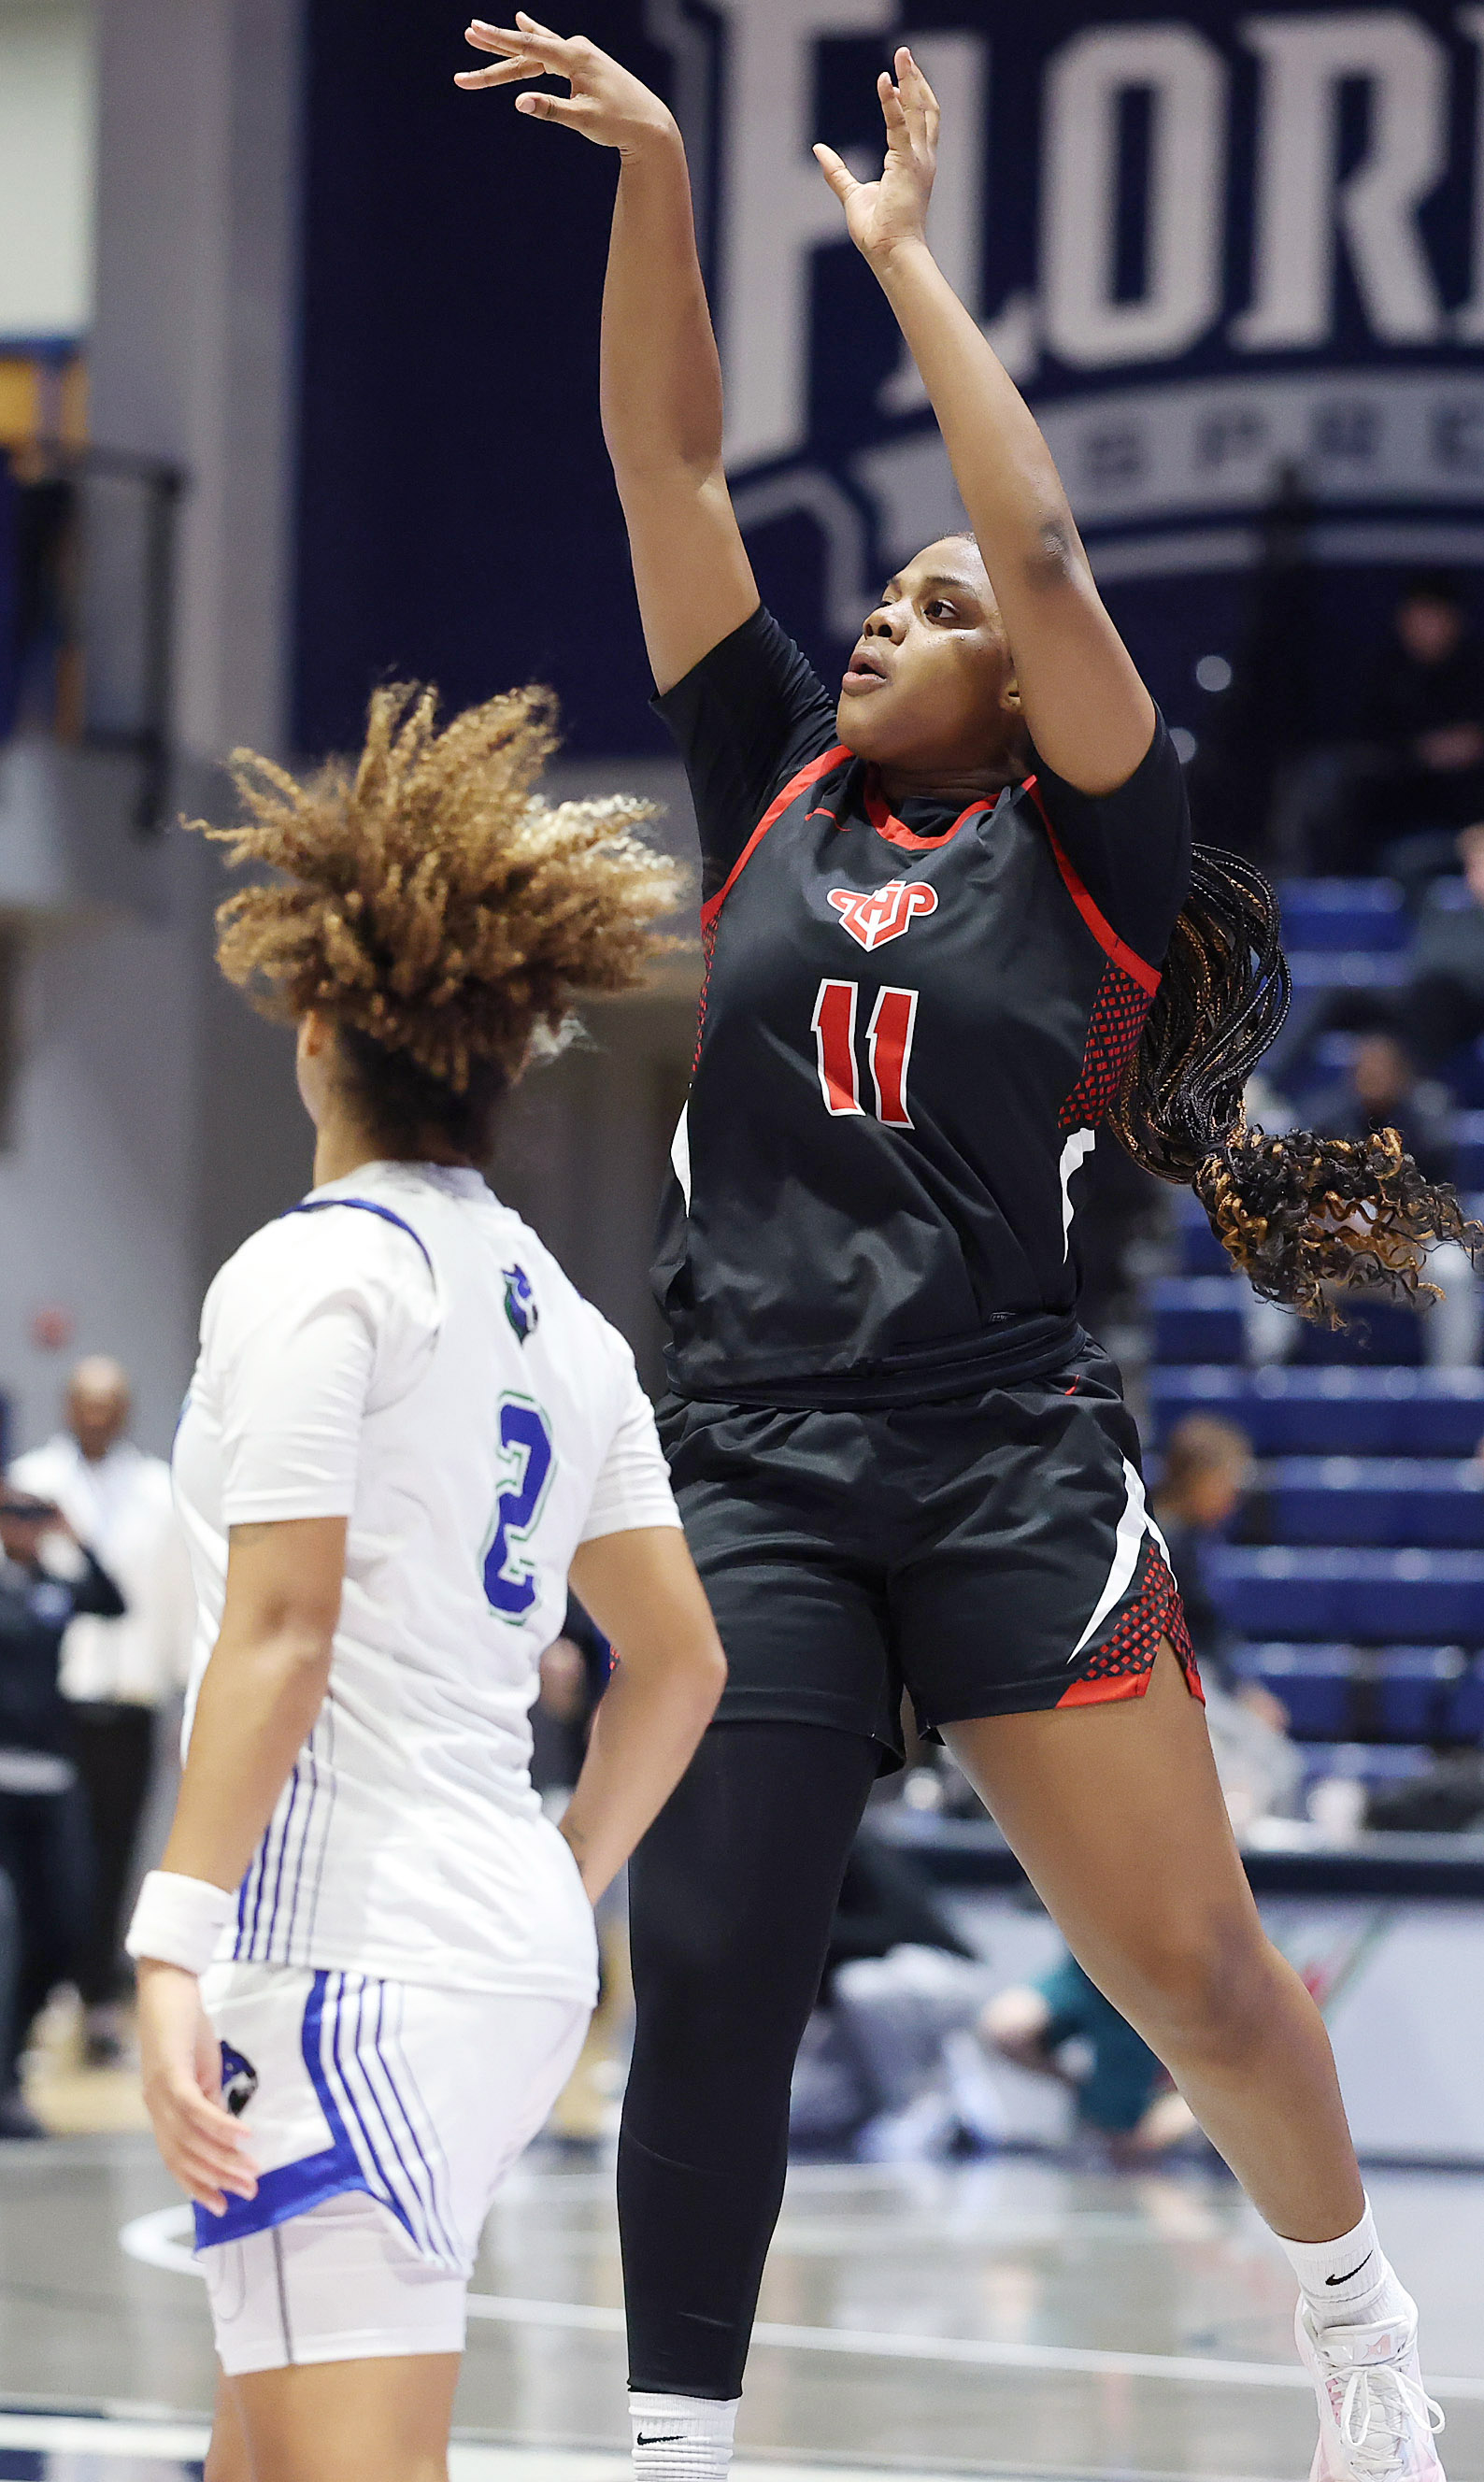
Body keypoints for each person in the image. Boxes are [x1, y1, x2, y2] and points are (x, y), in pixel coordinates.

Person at [460, 21, 1470, 2480]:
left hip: (1004, 1464)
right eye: (879, 607)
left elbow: (1036, 553)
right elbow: (665, 456)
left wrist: (901, 265)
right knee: (704, 1964)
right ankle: (677, 2441)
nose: (881, 626)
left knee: (1198, 1974)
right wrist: (668, 176)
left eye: (920, 611)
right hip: (755, 1468)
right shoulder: (770, 788)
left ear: (1018, 691)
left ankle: (1359, 2334)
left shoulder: (1097, 850)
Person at [126, 679, 727, 2482]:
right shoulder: (560, 1307)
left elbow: (284, 1630)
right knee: (262, 2453)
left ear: (319, 1021)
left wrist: (168, 1941)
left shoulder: (318, 1273)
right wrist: (547, 1885)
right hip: (498, 1955)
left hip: (340, 1952)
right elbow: (679, 1664)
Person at [12, 1355, 193, 2063]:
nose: (98, 1414)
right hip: (49, 1706)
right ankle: (37, 1996)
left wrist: (186, 1689)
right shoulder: (32, 1483)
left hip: (131, 1697)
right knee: (52, 1863)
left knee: (116, 1858)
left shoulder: (159, 1490)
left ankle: (96, 1999)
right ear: (67, 1407)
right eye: (86, 1402)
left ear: (125, 1409)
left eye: (111, 1402)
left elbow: (175, 1596)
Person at [0, 1488, 124, 2136]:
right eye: (11, 1517)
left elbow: (113, 1602)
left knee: (63, 1929)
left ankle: (14, 2057)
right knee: (3, 1934)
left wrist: (75, 1538)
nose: (22, 1530)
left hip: (50, 1782)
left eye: (32, 1518)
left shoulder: (54, 1587)